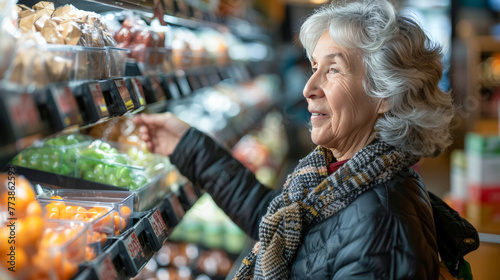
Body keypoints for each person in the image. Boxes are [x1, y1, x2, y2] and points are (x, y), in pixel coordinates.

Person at [134, 0, 479, 279]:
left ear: (384, 92)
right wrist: (186, 144)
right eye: (314, 66)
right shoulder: (347, 176)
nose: (308, 88)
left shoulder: (381, 235)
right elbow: (282, 224)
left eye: (332, 70)